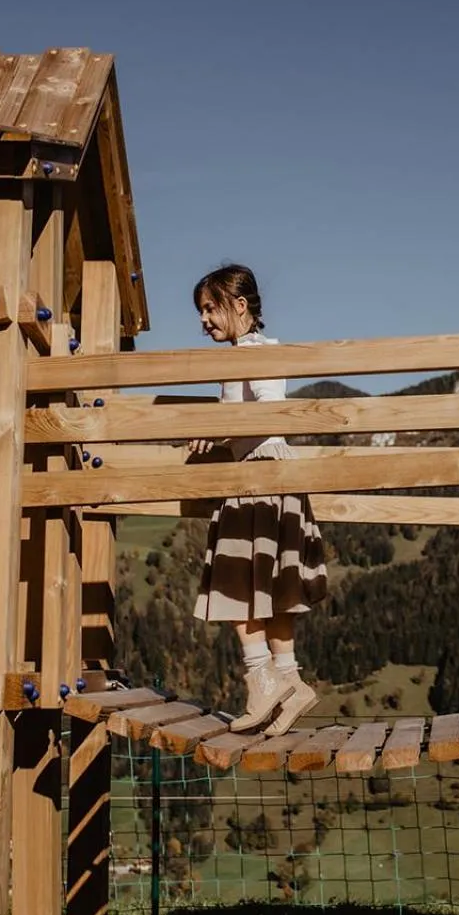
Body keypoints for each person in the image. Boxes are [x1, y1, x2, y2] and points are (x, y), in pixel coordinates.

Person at [188, 264, 328, 736]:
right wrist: (219, 433)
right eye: (201, 311)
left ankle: (261, 680)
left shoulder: (252, 354)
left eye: (211, 308)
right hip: (273, 473)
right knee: (272, 585)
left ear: (240, 305)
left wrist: (217, 431)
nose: (204, 319)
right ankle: (290, 682)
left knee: (235, 582)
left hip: (259, 473)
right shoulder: (251, 352)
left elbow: (268, 410)